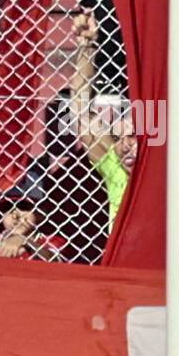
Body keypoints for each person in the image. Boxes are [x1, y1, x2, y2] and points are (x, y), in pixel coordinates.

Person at [69, 13, 137, 233]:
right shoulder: (115, 170)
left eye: (135, 137)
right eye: (117, 138)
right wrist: (87, 46)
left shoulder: (167, 174)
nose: (126, 144)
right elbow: (80, 109)